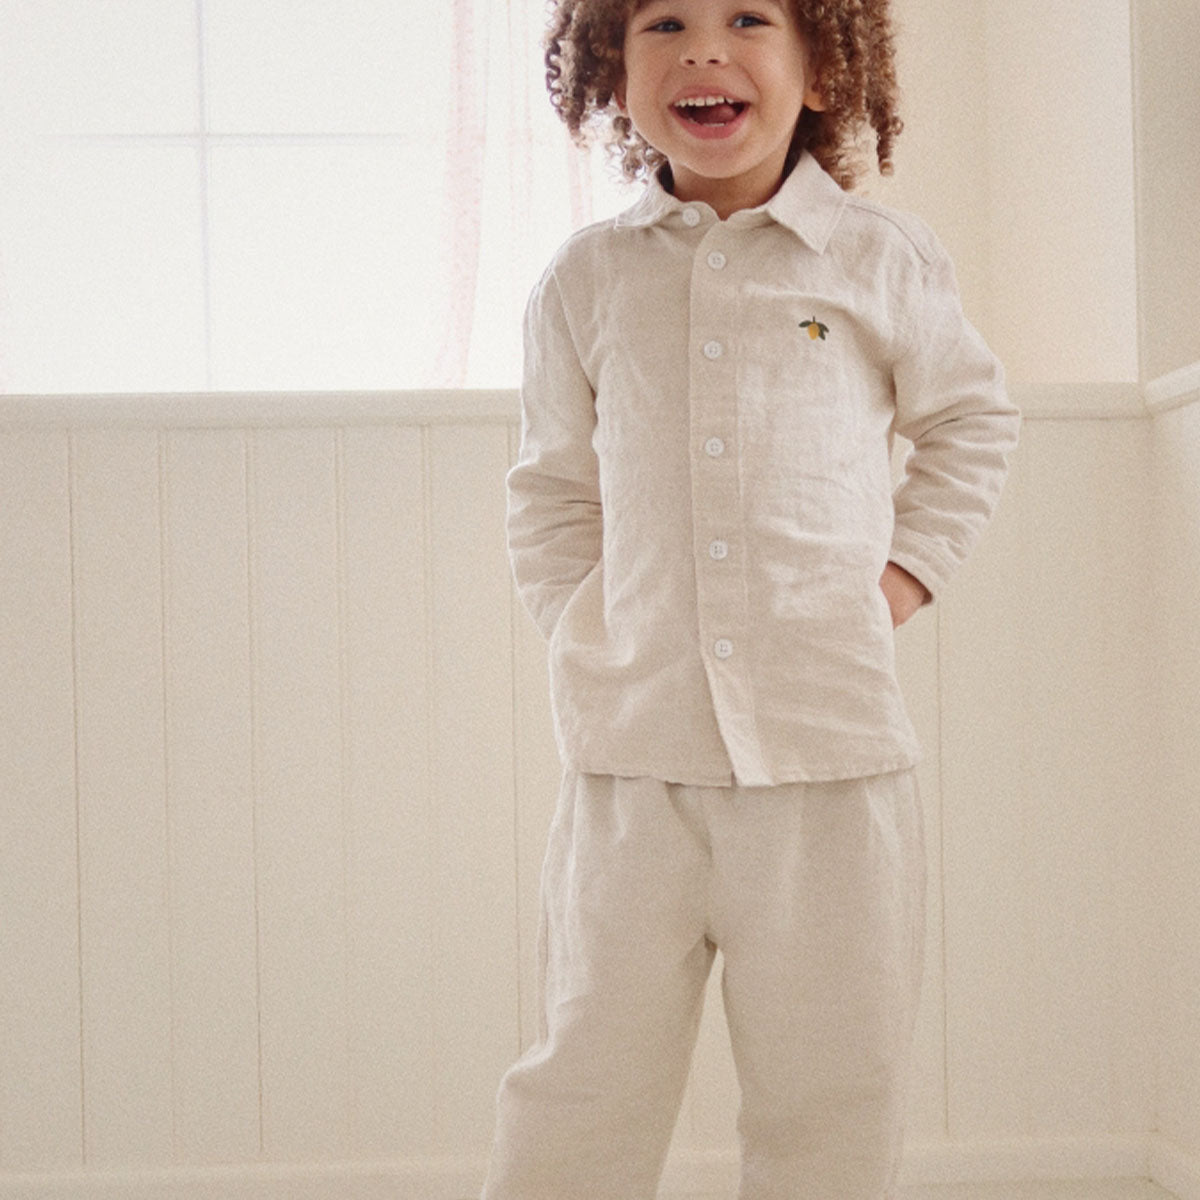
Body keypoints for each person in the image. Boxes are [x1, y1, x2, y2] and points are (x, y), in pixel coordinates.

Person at [483, 0, 1020, 1196]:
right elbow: (552, 490)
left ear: (824, 62)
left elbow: (972, 423)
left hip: (830, 759)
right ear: (612, 72)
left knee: (832, 1088)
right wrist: (587, 622)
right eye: (664, 22)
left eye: (748, 18)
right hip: (635, 762)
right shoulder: (588, 279)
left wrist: (897, 579)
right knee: (583, 1072)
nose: (705, 51)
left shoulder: (879, 258)